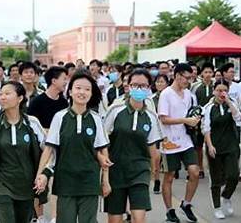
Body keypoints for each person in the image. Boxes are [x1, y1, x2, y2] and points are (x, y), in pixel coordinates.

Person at [34, 72, 110, 223]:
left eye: (87, 89)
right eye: (78, 88)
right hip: (65, 182)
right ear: (70, 91)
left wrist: (105, 180)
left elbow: (103, 150)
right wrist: (40, 174)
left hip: (89, 182)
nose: (82, 92)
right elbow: (49, 149)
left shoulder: (96, 119)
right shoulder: (60, 117)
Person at [0, 81, 47, 223]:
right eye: (0, 94)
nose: (2, 97)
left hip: (27, 184)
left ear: (20, 98)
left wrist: (44, 174)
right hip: (2, 184)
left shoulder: (32, 123)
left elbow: (47, 151)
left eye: (7, 93)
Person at [103, 69, 163, 223]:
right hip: (115, 171)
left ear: (149, 88)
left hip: (140, 172)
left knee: (139, 218)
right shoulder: (115, 110)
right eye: (135, 85)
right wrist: (104, 174)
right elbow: (102, 141)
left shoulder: (151, 116)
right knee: (115, 220)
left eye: (143, 86)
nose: (138, 89)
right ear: (128, 87)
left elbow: (153, 148)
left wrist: (153, 173)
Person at [158, 63, 200, 223]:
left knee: (194, 171)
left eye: (190, 78)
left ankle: (186, 203)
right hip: (169, 142)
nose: (188, 81)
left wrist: (194, 120)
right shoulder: (166, 94)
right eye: (186, 78)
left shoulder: (189, 94)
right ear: (177, 76)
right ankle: (170, 210)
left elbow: (192, 113)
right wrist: (184, 120)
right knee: (169, 176)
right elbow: (163, 118)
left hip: (186, 140)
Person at [27, 66, 69, 223]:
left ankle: (54, 218)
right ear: (54, 80)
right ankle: (39, 217)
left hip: (58, 150)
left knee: (54, 183)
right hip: (39, 150)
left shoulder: (64, 102)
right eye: (64, 78)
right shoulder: (37, 102)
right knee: (38, 184)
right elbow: (30, 125)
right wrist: (48, 131)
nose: (66, 82)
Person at [202, 79, 241, 219]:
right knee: (216, 179)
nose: (222, 93)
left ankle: (226, 196)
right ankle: (217, 207)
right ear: (214, 91)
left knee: (233, 175)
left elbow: (239, 119)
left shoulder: (231, 103)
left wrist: (229, 102)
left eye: (224, 90)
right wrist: (209, 145)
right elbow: (206, 128)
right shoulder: (209, 107)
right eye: (219, 90)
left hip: (231, 145)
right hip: (215, 146)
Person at [190, 62, 215, 179]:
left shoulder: (216, 86)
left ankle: (213, 167)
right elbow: (193, 103)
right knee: (198, 145)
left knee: (212, 143)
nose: (208, 74)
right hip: (200, 119)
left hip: (213, 120)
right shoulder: (195, 87)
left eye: (210, 72)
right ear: (201, 74)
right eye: (206, 72)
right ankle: (200, 167)